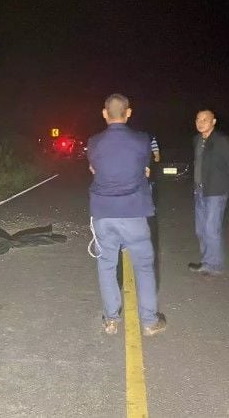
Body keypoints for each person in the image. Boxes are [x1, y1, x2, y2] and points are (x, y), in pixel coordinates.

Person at [87, 93, 166, 336]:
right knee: (144, 267)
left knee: (107, 266)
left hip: (104, 214)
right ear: (128, 112)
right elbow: (145, 168)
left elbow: (94, 169)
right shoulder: (141, 140)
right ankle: (150, 322)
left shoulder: (94, 142)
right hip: (134, 212)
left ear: (104, 113)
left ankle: (111, 319)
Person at [188, 109, 229, 276]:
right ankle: (207, 260)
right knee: (200, 228)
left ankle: (214, 264)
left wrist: (227, 186)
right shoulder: (197, 140)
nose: (200, 122)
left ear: (213, 121)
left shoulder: (221, 141)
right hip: (199, 190)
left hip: (216, 191)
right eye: (198, 119)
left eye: (205, 119)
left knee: (211, 228)